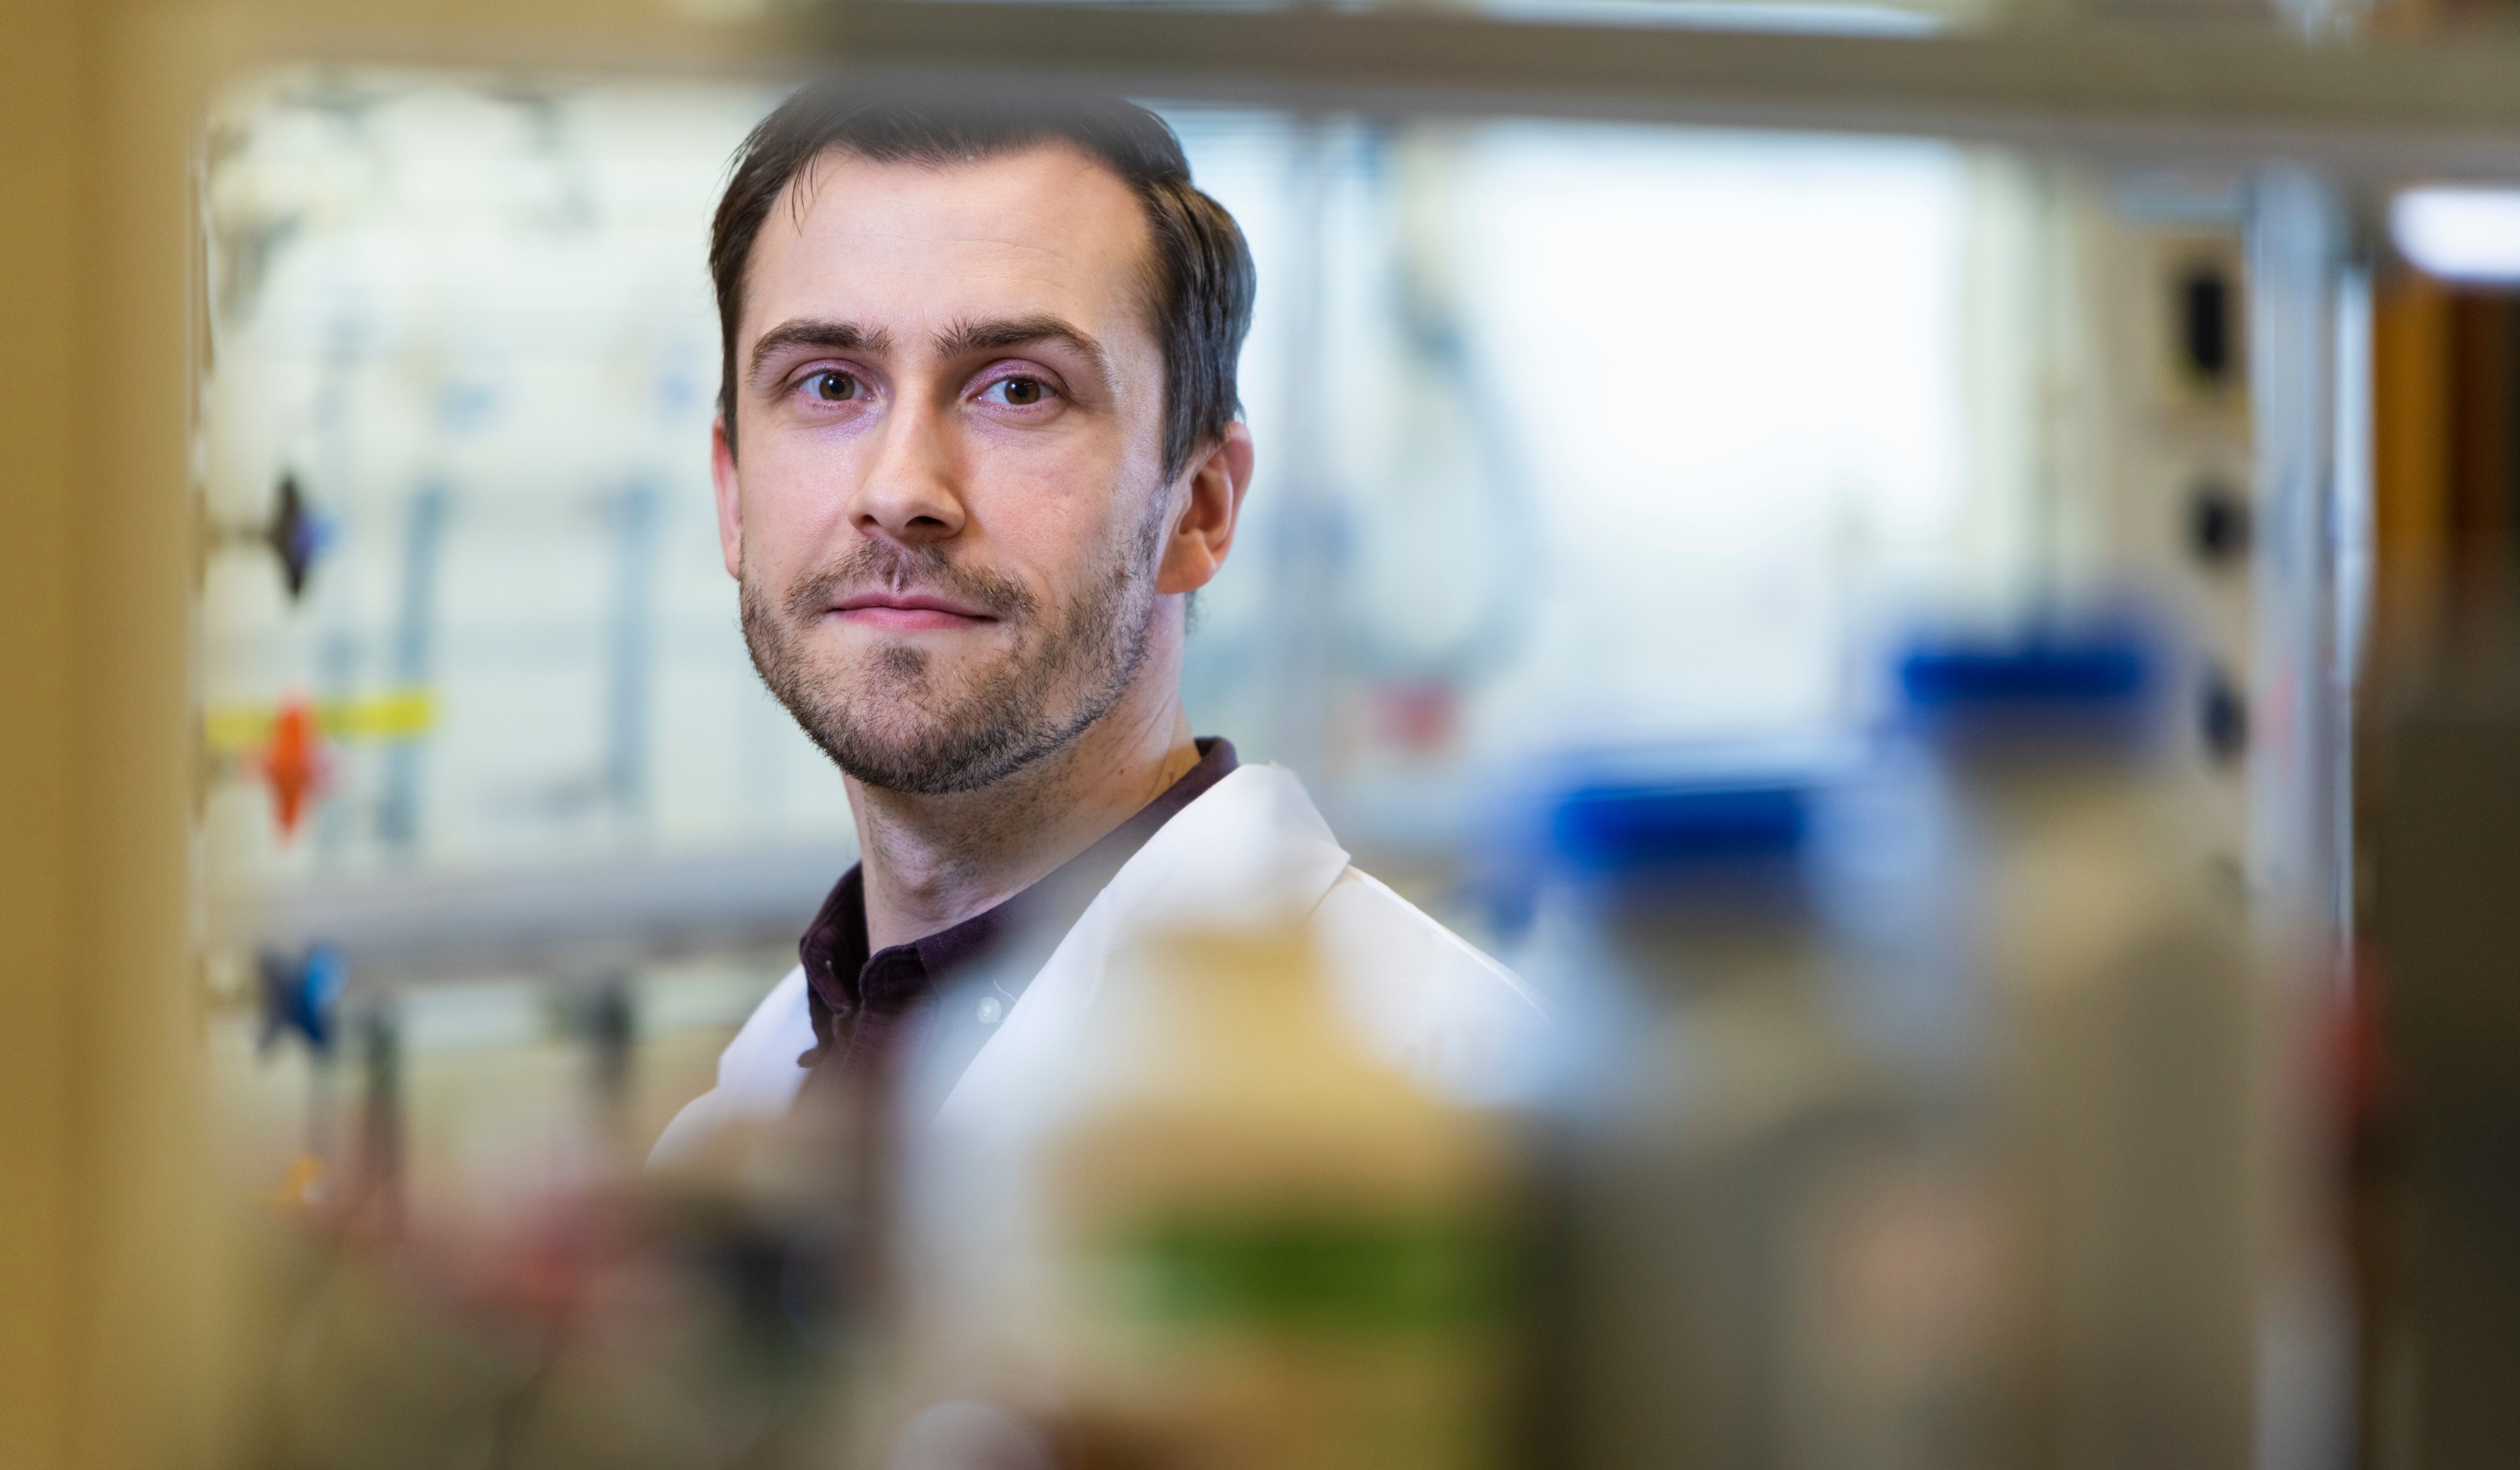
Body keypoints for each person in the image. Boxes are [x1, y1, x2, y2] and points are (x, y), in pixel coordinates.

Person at [651, 83, 1538, 1165]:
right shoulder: (744, 1115)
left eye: (1019, 391)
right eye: (830, 382)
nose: (901, 488)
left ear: (1199, 508)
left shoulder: (1467, 1105)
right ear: (734, 494)